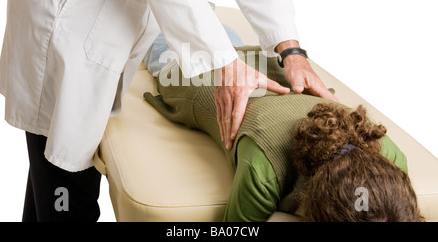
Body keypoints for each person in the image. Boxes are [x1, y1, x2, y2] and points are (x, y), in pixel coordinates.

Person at [0, 0, 336, 221]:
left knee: (52, 174)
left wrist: (289, 49)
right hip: (69, 15)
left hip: (118, 16)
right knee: (67, 191)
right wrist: (224, 63)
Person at [144, 42, 423, 222]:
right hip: (184, 67)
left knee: (210, 23)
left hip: (256, 59)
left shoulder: (389, 154)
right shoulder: (264, 172)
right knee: (150, 22)